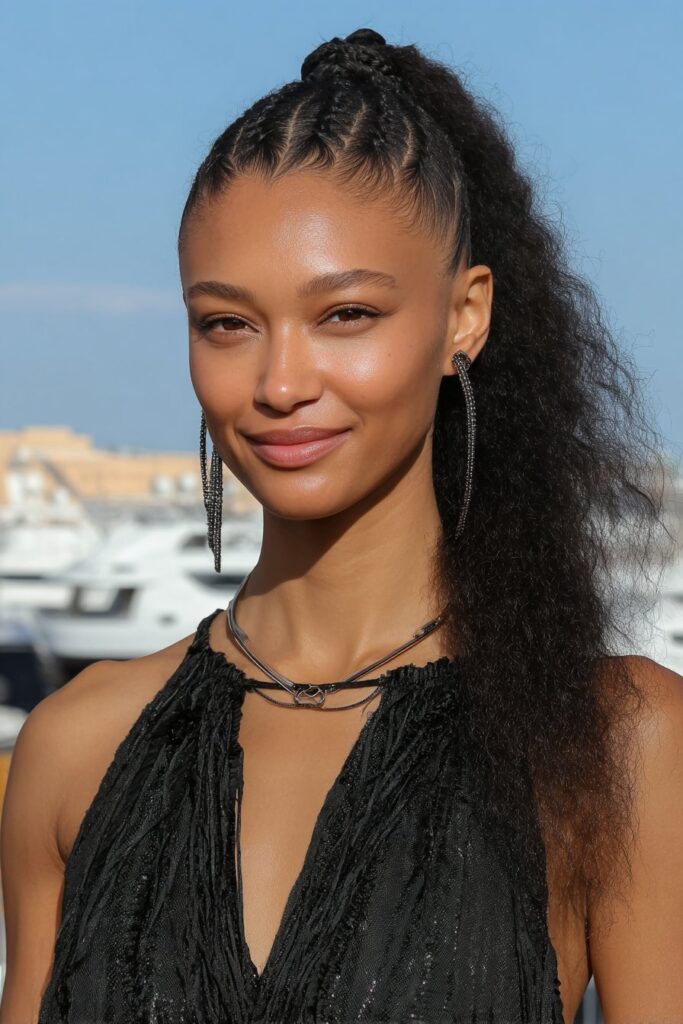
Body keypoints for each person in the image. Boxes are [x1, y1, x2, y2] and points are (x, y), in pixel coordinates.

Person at [2, 26, 682, 1024]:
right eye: (227, 323)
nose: (279, 383)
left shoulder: (615, 743)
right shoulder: (74, 748)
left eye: (346, 315)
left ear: (464, 315)